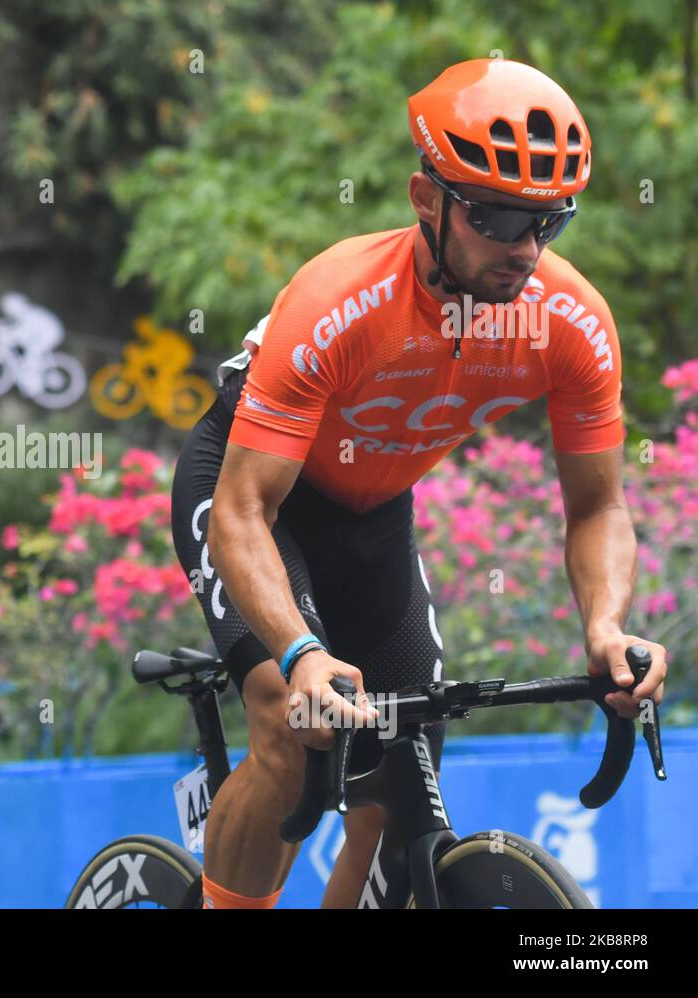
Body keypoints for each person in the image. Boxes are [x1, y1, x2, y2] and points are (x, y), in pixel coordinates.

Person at [171, 59, 667, 909]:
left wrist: (606, 627)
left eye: (549, 221)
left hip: (373, 515)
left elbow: (599, 505)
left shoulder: (572, 322)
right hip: (254, 497)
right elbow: (246, 510)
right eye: (498, 215)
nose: (524, 247)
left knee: (409, 755)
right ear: (425, 198)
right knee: (294, 729)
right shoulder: (341, 300)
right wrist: (300, 655)